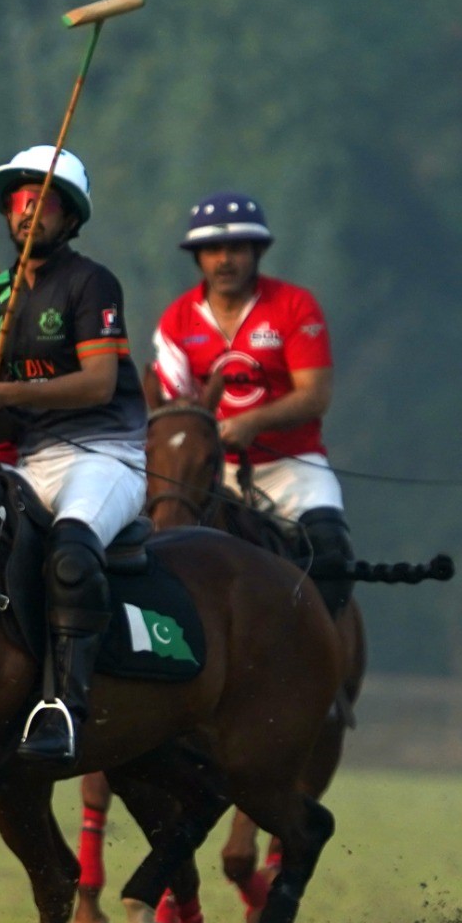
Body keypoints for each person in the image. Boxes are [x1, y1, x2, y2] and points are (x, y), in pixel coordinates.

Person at [0, 146, 147, 764]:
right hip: (32, 460)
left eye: (44, 204)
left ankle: (62, 707)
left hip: (106, 453)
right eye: (20, 203)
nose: (27, 214)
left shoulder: (91, 282)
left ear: (70, 219)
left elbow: (98, 381)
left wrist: (2, 393)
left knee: (70, 552)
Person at [152, 191, 352, 616]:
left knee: (331, 550)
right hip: (211, 471)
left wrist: (251, 423)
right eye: (212, 250)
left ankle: (326, 670)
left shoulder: (295, 306)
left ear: (257, 251)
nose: (224, 260)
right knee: (148, 540)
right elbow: (173, 409)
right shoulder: (177, 320)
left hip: (292, 466)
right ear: (198, 257)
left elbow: (315, 395)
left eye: (236, 248)